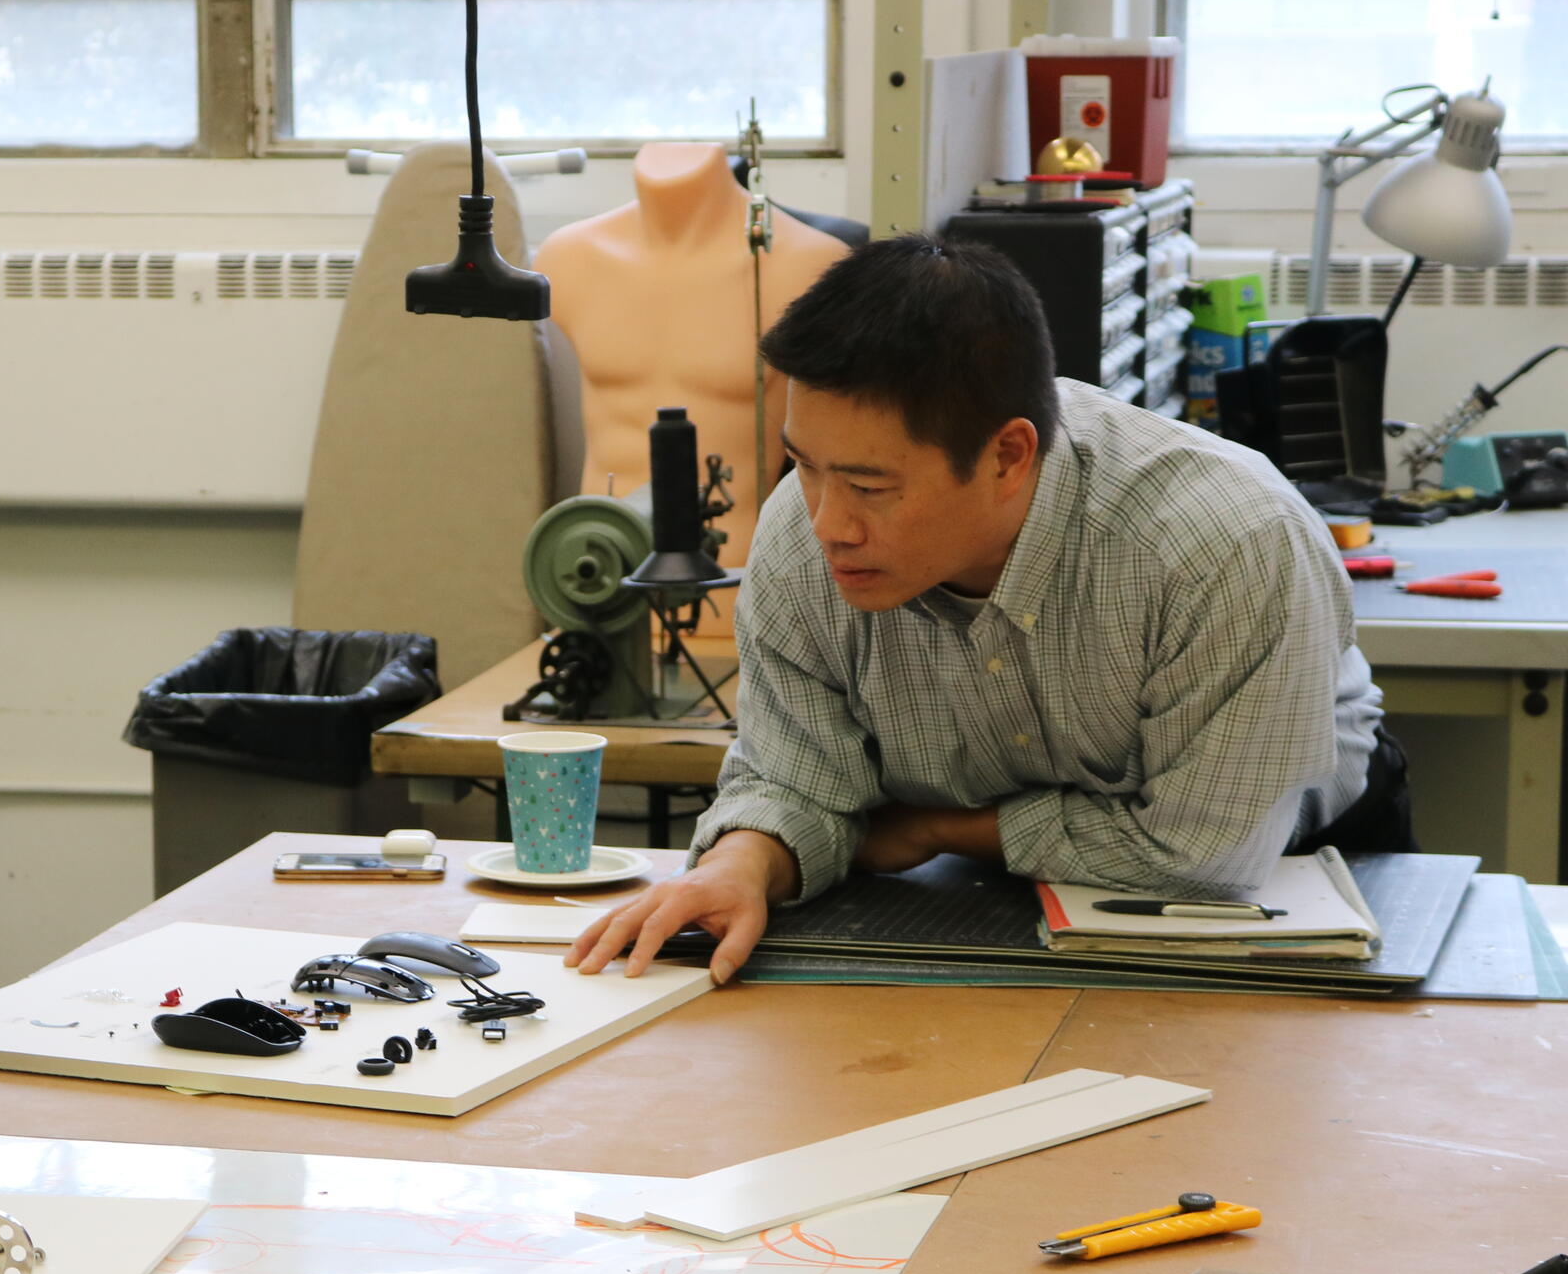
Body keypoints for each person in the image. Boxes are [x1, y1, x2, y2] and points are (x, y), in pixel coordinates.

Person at [568, 234, 1409, 986]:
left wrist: (944, 828)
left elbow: (1204, 857)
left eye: (868, 485)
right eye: (806, 466)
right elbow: (795, 778)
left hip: (1288, 872)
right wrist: (739, 867)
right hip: (976, 889)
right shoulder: (805, 536)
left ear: (1008, 457)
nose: (826, 524)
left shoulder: (1222, 542)